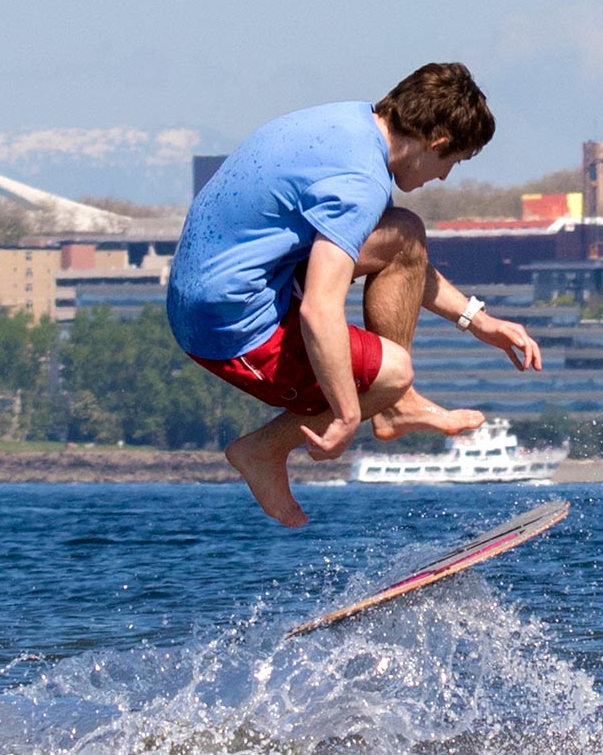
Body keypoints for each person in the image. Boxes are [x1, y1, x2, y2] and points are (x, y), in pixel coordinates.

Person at [167, 62, 543, 526]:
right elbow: (319, 309)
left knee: (403, 234)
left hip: (235, 282)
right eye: (452, 163)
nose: (443, 178)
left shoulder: (349, 126)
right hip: (227, 328)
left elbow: (403, 262)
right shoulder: (359, 185)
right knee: (391, 372)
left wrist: (480, 321)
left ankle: (395, 406)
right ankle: (263, 449)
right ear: (437, 143)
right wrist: (347, 414)